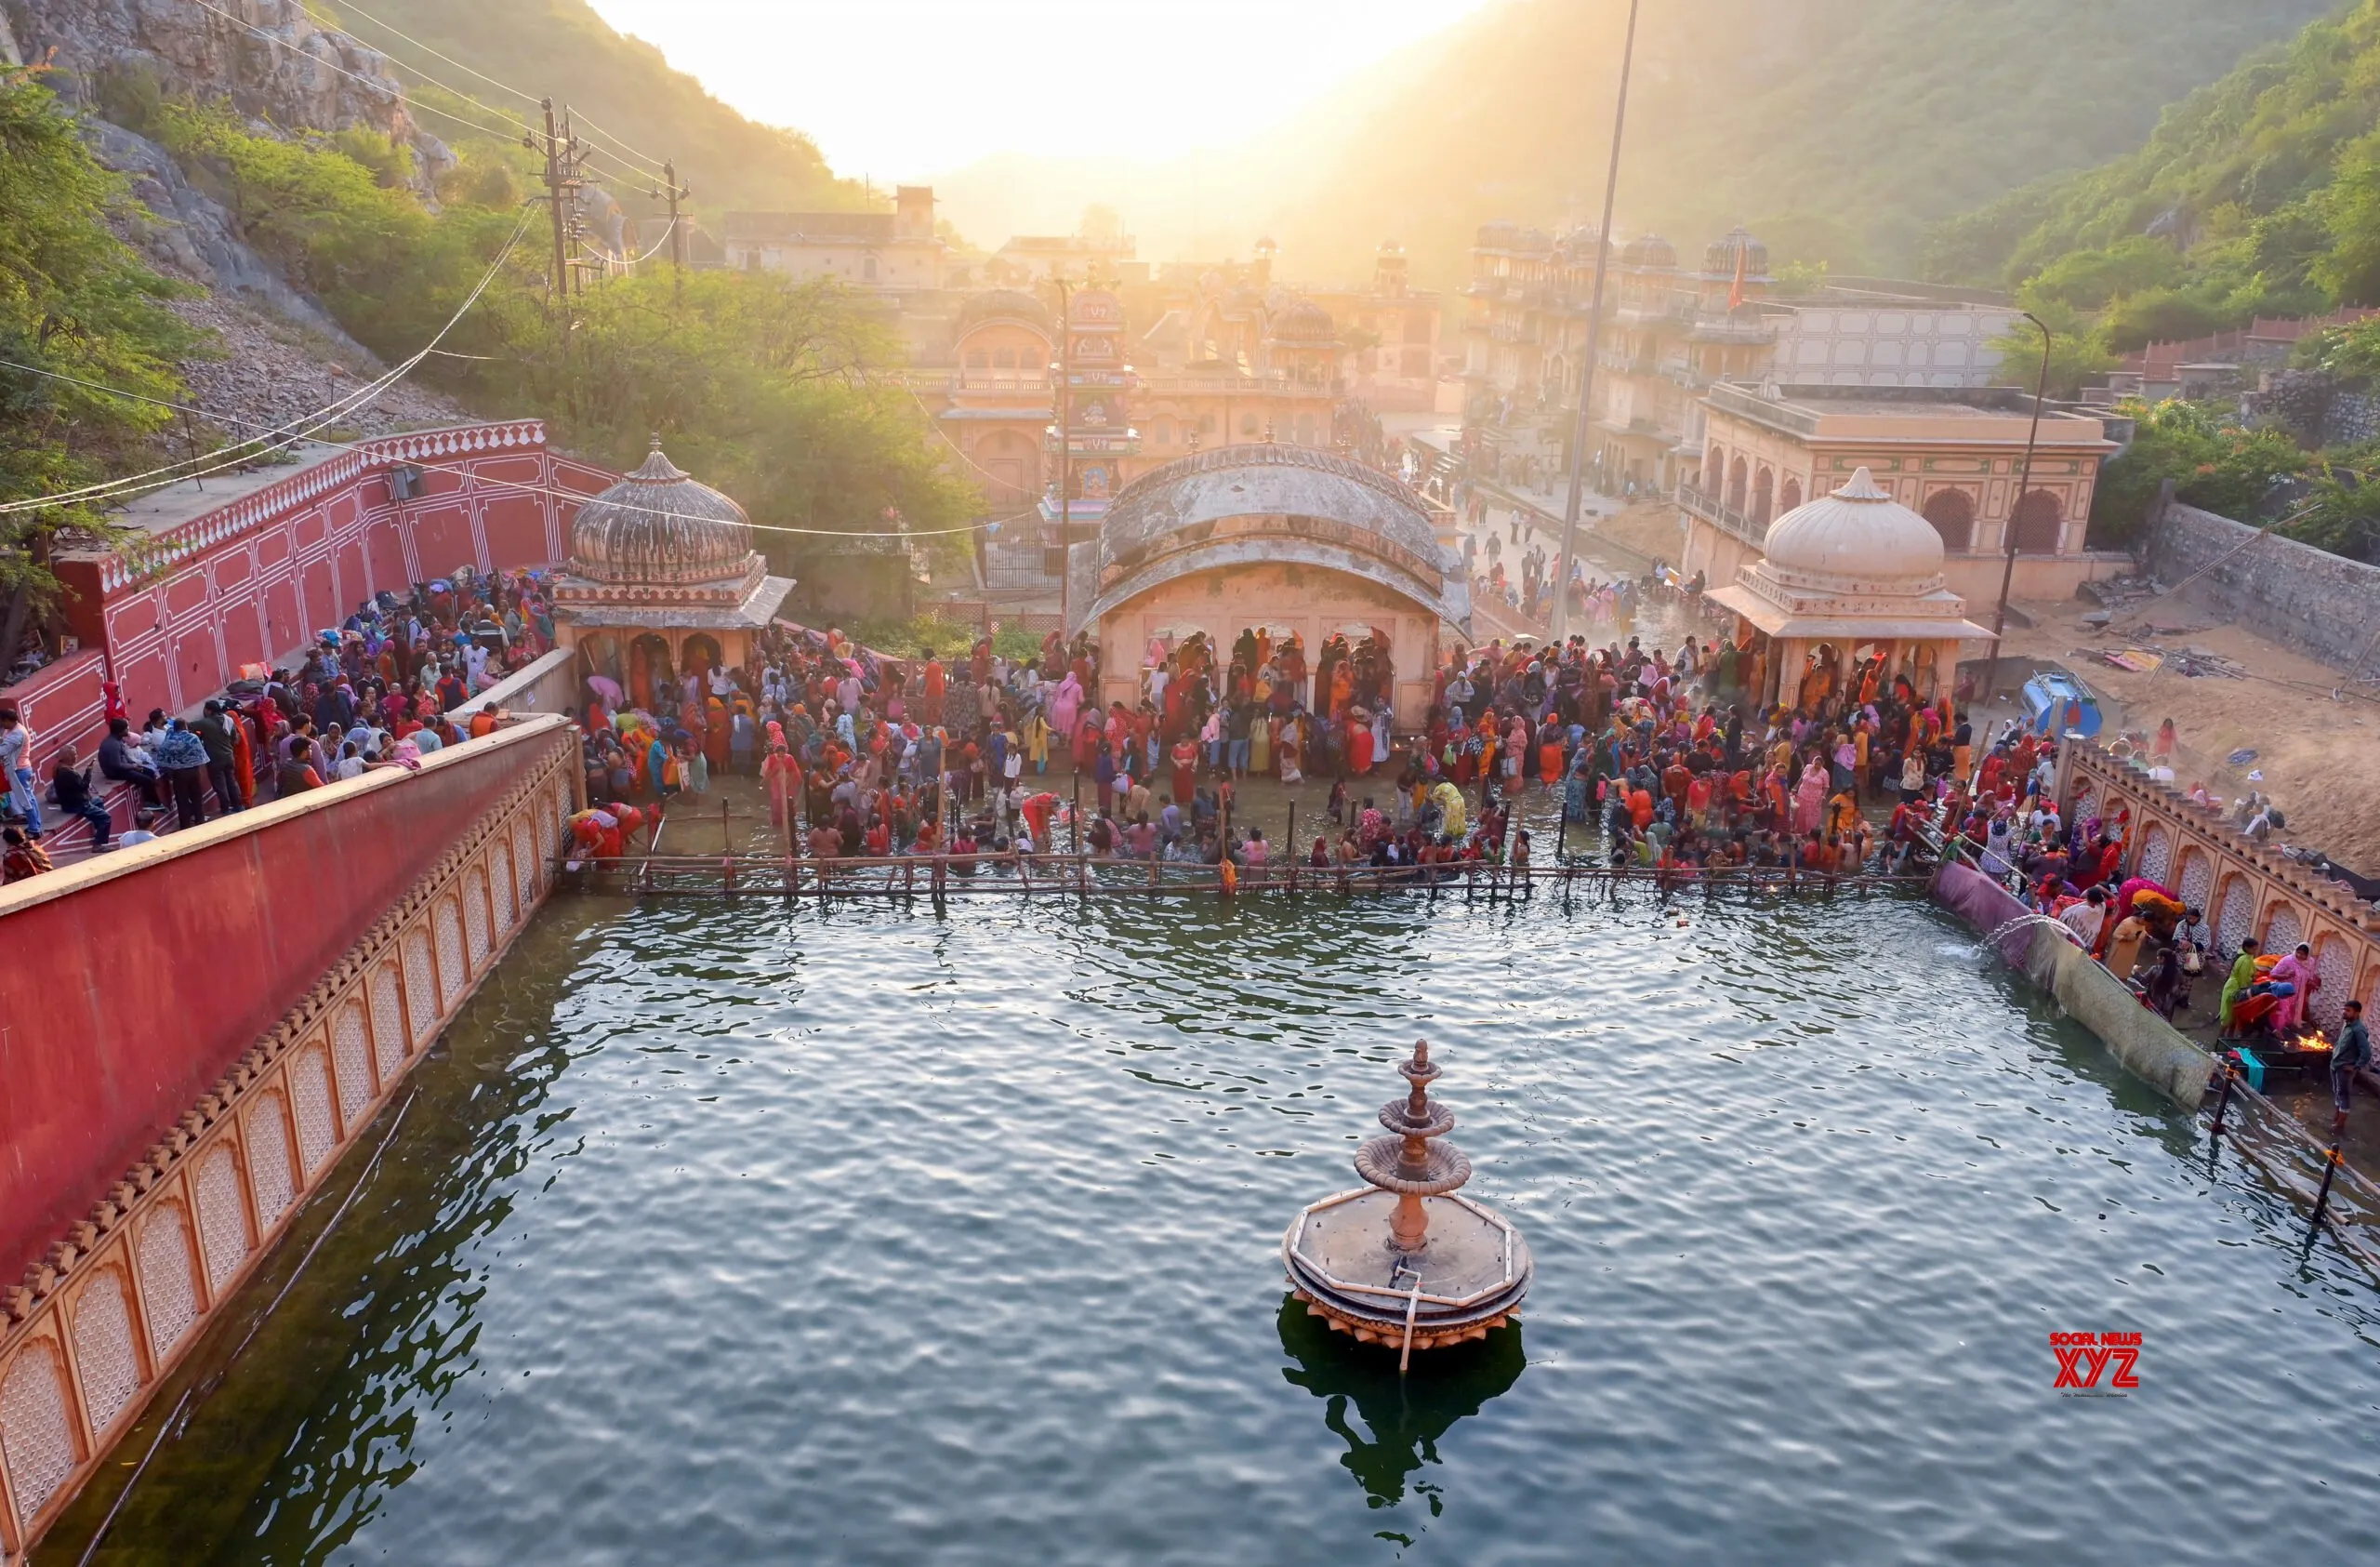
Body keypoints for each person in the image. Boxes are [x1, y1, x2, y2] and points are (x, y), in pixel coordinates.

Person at [48, 743, 112, 851]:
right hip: (77, 805)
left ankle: (98, 831)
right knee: (106, 818)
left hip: (69, 802)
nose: (77, 756)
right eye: (75, 754)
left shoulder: (59, 768)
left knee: (98, 801)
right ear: (69, 757)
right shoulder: (68, 773)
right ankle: (98, 844)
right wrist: (89, 771)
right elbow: (83, 786)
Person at [2334, 1000, 2370, 1135]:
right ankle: (2336, 1119)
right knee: (2338, 1092)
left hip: (2346, 1068)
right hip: (2337, 1065)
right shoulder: (2348, 1026)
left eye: (2348, 1010)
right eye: (2344, 1009)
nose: (2345, 1012)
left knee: (2344, 1096)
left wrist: (2355, 1067)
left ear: (2357, 1013)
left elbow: (2366, 1052)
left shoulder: (2358, 1030)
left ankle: (2339, 1126)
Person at [2218, 937, 2259, 1041]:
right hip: (2235, 988)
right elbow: (2243, 978)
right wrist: (2246, 990)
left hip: (2236, 987)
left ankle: (2228, 1038)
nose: (2255, 951)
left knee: (2234, 1015)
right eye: (2254, 949)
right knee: (2228, 1015)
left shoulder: (2246, 957)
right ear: (2246, 948)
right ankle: (2221, 1038)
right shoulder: (2245, 960)